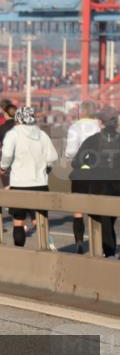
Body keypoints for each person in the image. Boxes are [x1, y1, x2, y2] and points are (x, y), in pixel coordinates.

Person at [0, 106, 59, 249]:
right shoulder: (42, 134)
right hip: (40, 184)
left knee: (18, 221)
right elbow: (53, 157)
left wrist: (4, 167)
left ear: (18, 118)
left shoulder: (13, 134)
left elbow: (7, 155)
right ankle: (49, 246)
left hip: (19, 184)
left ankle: (20, 251)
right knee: (40, 220)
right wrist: (45, 168)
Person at [70, 106, 119, 258]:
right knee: (110, 219)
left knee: (104, 220)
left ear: (100, 122)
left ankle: (109, 252)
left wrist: (88, 165)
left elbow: (76, 162)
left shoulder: (92, 141)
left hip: (99, 186)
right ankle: (110, 250)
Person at [64, 101, 102, 254]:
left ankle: (79, 241)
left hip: (80, 172)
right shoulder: (100, 127)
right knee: (98, 208)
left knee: (78, 210)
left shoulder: (75, 127)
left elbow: (70, 152)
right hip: (99, 172)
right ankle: (98, 245)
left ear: (82, 112)